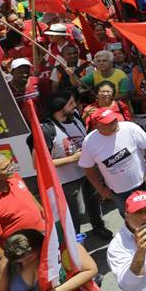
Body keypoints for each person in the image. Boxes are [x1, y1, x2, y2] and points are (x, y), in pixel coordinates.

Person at [35, 91, 110, 239]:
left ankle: (98, 227)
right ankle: (74, 240)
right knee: (74, 211)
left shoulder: (75, 117)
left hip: (88, 171)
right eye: (70, 103)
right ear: (58, 107)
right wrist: (72, 158)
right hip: (68, 179)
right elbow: (40, 163)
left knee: (94, 201)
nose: (74, 105)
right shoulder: (46, 130)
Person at [78, 108, 146, 216]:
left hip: (143, 183)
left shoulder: (130, 128)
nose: (115, 124)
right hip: (119, 192)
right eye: (109, 123)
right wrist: (100, 189)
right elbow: (87, 167)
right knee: (129, 217)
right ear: (97, 126)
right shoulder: (89, 142)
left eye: (114, 120)